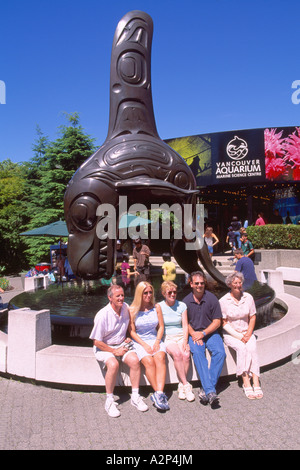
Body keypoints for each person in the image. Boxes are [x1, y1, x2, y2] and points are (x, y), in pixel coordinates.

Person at [89, 284, 148, 417]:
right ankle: (109, 400)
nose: (121, 298)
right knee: (113, 364)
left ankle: (135, 396)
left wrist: (127, 337)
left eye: (122, 295)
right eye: (118, 296)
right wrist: (114, 351)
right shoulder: (102, 315)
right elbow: (96, 341)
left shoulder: (126, 308)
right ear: (110, 298)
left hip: (121, 344)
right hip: (104, 346)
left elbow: (129, 328)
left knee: (134, 361)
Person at [183, 271, 226, 407]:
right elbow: (185, 322)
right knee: (198, 354)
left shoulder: (212, 299)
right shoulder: (186, 301)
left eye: (202, 283)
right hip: (194, 334)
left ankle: (206, 390)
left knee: (220, 353)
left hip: (210, 333)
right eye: (196, 283)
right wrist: (194, 333)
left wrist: (204, 333)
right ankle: (211, 391)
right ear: (191, 284)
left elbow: (217, 321)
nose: (199, 286)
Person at [219, 272, 263, 400]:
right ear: (229, 284)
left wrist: (249, 333)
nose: (238, 285)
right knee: (242, 349)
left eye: (240, 282)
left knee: (252, 349)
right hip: (231, 334)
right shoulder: (223, 301)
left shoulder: (248, 297)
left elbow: (252, 316)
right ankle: (246, 382)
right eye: (235, 283)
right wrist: (239, 336)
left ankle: (256, 381)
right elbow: (223, 322)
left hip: (247, 332)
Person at [129, 281, 170, 411]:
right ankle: (159, 393)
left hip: (154, 338)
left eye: (150, 292)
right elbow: (132, 332)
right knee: (148, 361)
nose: (148, 295)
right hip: (140, 341)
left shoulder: (156, 307)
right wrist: (144, 345)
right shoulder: (132, 310)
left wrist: (157, 341)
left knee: (160, 358)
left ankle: (158, 394)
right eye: (145, 293)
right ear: (139, 294)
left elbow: (161, 326)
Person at [156, 281, 195, 402]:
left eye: (174, 292)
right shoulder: (159, 306)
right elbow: (159, 326)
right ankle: (186, 384)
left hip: (180, 336)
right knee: (177, 354)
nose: (173, 294)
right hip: (168, 337)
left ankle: (180, 385)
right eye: (169, 292)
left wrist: (185, 341)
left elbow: (184, 325)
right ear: (163, 293)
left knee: (186, 355)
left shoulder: (182, 305)